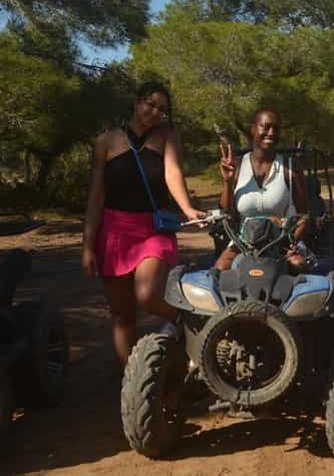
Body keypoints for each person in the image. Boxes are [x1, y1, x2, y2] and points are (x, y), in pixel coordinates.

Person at [81, 81, 205, 368]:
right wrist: (87, 247)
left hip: (152, 229)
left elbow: (173, 173)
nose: (154, 112)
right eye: (150, 104)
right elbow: (96, 196)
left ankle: (187, 321)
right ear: (137, 102)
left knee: (147, 295)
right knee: (122, 314)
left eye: (161, 109)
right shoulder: (105, 142)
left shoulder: (166, 137)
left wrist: (187, 208)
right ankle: (134, 379)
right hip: (113, 232)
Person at [216, 108, 309, 271]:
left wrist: (289, 243)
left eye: (276, 128)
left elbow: (303, 216)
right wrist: (227, 182)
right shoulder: (236, 166)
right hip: (243, 241)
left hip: (282, 240)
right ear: (252, 129)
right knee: (220, 269)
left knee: (297, 266)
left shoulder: (291, 168)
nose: (271, 133)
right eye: (265, 127)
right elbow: (227, 213)